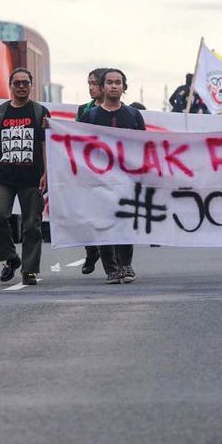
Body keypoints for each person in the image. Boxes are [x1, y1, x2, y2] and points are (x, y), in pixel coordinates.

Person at [0, 68, 50, 286]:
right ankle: (11, 258)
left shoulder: (40, 112)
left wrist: (46, 173)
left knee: (32, 226)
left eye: (25, 83)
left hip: (32, 179)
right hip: (3, 177)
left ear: (31, 85)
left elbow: (45, 145)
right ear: (10, 85)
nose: (21, 87)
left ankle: (29, 270)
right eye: (17, 83)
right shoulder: (0, 112)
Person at [80, 68, 146, 284]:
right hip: (99, 179)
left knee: (124, 221)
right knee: (104, 222)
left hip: (126, 178)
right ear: (102, 87)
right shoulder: (90, 116)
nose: (114, 86)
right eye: (110, 82)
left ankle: (126, 265)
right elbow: (77, 143)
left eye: (118, 82)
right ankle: (111, 269)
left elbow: (144, 146)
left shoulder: (134, 115)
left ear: (124, 87)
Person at [75, 68, 107, 276]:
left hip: (112, 170)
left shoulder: (124, 110)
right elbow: (75, 136)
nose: (91, 88)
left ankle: (114, 261)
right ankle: (91, 249)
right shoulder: (84, 110)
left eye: (94, 83)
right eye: (89, 84)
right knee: (87, 213)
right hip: (89, 170)